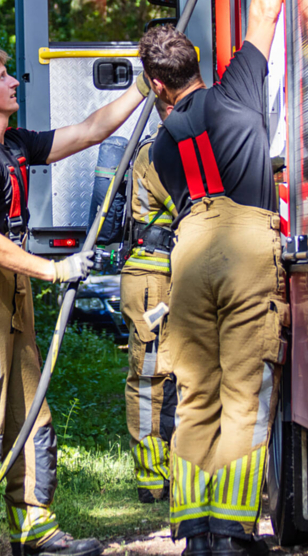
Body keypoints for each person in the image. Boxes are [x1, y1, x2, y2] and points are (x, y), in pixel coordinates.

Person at [0, 46, 148, 556]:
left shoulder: (14, 144)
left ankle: (34, 527)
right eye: (4, 76)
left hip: (11, 290)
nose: (14, 82)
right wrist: (54, 269)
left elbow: (91, 131)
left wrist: (142, 87)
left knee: (30, 411)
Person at [141, 0, 286, 556]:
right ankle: (232, 532)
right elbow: (263, 14)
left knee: (194, 392)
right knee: (243, 391)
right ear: (197, 62)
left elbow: (183, 203)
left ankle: (195, 532)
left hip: (192, 247)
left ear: (156, 85)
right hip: (250, 242)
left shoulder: (164, 143)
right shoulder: (238, 91)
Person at [121, 92, 177, 504]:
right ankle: (152, 477)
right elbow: (192, 207)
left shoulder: (177, 147)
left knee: (183, 374)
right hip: (152, 282)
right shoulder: (160, 152)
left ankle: (178, 469)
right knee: (150, 378)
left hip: (178, 275)